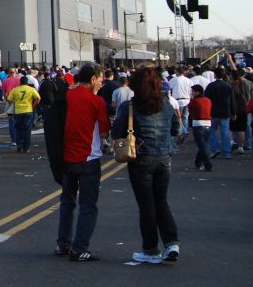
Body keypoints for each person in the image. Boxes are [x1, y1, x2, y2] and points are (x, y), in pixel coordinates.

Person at [112, 66, 181, 264]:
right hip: (164, 157)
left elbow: (117, 132)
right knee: (162, 201)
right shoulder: (166, 103)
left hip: (141, 158)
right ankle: (171, 243)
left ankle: (151, 249)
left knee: (146, 205)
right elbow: (177, 129)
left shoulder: (130, 106)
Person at [55, 63, 109, 262]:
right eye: (100, 79)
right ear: (93, 79)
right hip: (88, 157)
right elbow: (104, 132)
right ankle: (79, 247)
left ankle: (63, 242)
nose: (102, 84)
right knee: (88, 205)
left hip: (66, 156)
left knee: (67, 201)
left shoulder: (67, 96)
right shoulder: (96, 102)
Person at [205, 67, 235, 159]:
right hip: (226, 111)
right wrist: (233, 112)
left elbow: (206, 99)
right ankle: (227, 152)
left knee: (211, 131)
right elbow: (232, 100)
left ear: (215, 75)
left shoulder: (211, 86)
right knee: (225, 132)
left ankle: (214, 149)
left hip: (213, 111)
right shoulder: (228, 85)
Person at [7, 78, 41, 153]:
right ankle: (26, 148)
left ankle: (19, 145)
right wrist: (33, 105)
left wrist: (13, 104)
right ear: (27, 83)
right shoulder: (31, 89)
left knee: (18, 129)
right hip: (28, 110)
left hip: (18, 111)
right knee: (27, 130)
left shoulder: (15, 89)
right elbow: (38, 98)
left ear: (20, 82)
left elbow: (9, 99)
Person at [188, 83, 213, 172]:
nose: (192, 93)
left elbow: (190, 111)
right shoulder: (208, 100)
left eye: (193, 91)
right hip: (208, 124)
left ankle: (208, 165)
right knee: (203, 145)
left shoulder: (194, 101)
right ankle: (198, 162)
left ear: (197, 92)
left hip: (198, 124)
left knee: (202, 146)